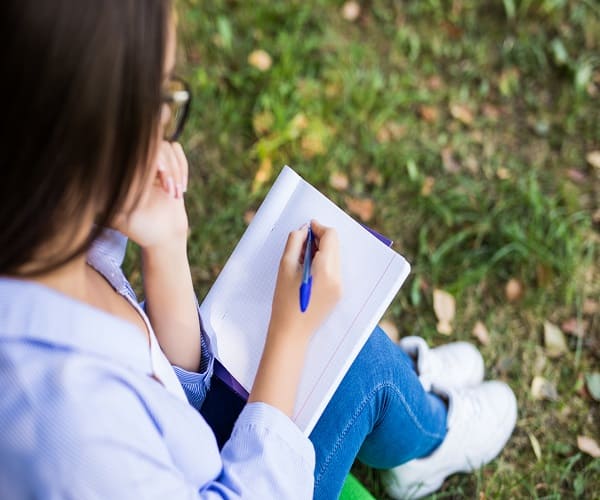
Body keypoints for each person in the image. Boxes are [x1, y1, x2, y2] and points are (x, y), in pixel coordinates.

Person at [0, 1, 517, 499]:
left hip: (189, 455)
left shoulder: (42, 244)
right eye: (155, 103)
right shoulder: (69, 429)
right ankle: (430, 443)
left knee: (346, 354)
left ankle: (409, 397)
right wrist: (288, 337)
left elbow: (171, 392)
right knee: (363, 370)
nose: (163, 128)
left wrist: (165, 247)